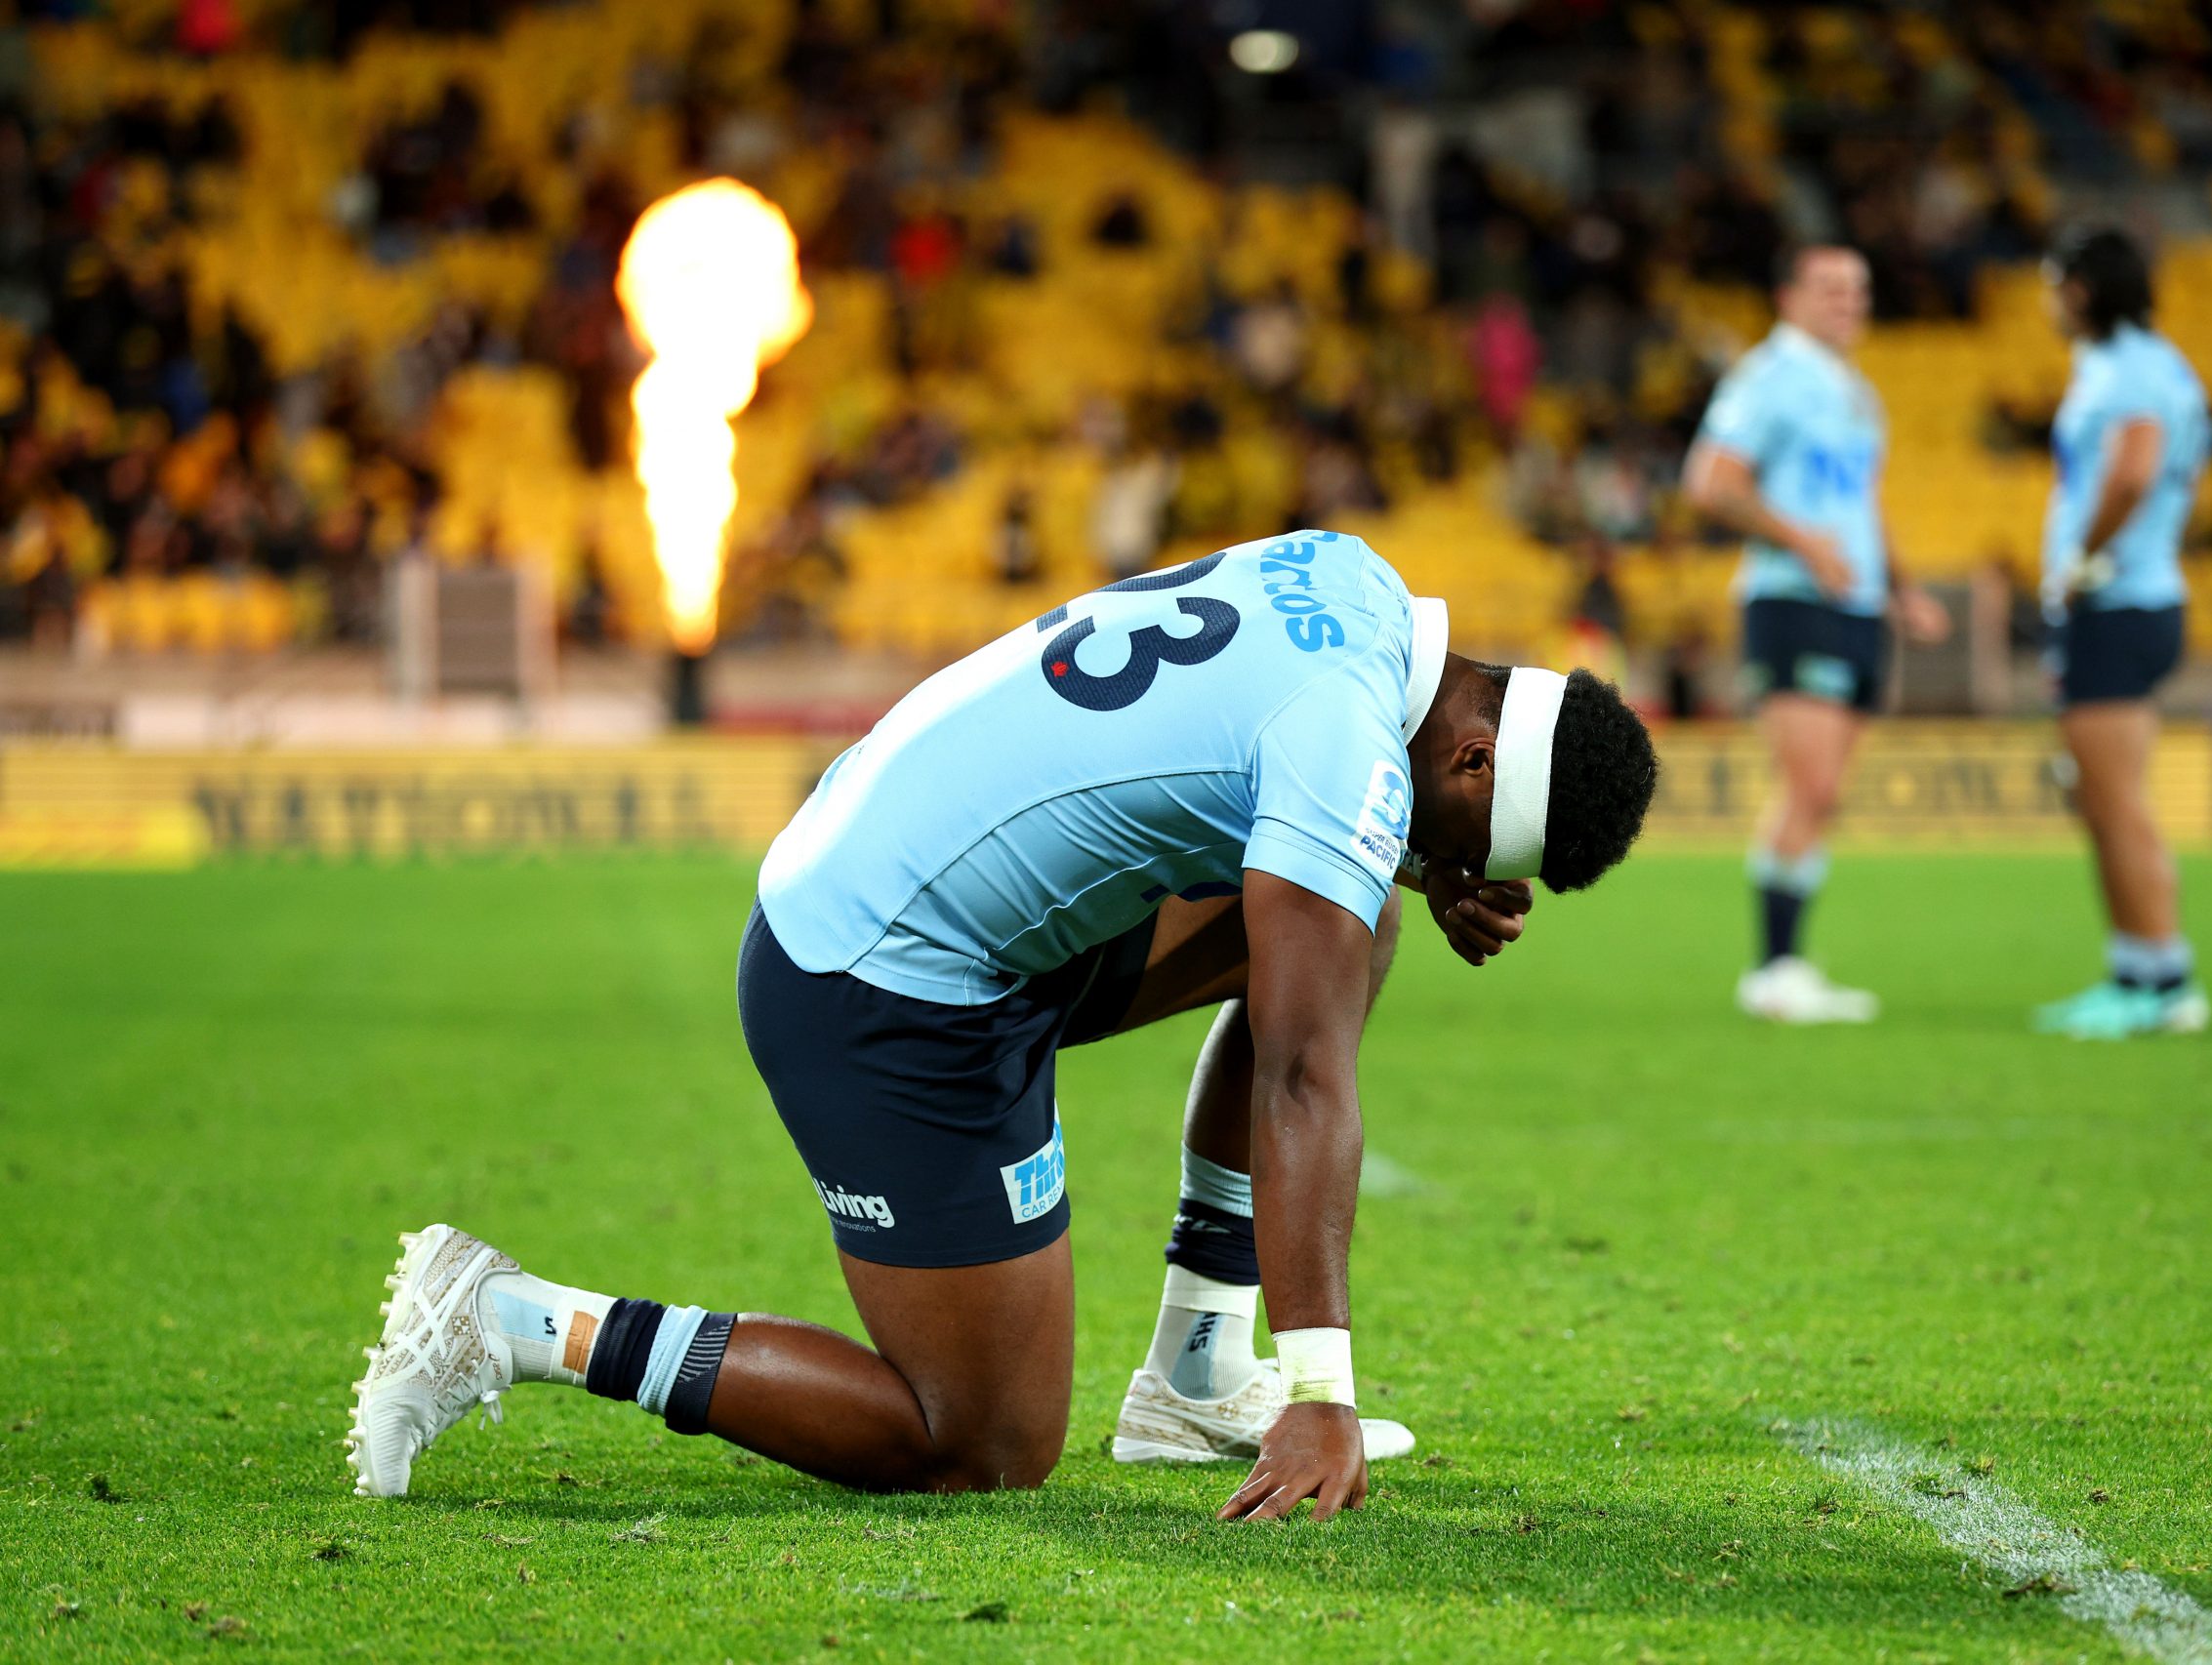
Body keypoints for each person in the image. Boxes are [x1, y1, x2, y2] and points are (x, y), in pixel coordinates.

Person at [348, 531, 1659, 1522]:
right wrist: (1326, 1391)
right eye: (1466, 837)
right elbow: (1305, 1074)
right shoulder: (1348, 746)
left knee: (1353, 905)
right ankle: (515, 1317)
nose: (1453, 862)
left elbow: (1284, 755)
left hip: (929, 871)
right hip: (875, 973)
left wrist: (1417, 864)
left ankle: (1193, 1375)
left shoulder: (1357, 584)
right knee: (977, 1443)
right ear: (1474, 757)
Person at [1682, 244, 1950, 1025]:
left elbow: (1863, 501)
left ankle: (1789, 963)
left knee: (1826, 795)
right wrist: (1804, 544)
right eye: (1830, 288)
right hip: (1794, 600)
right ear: (1788, 295)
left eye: (1859, 290)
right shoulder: (1768, 379)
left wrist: (1902, 588)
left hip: (1859, 606)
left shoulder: (1856, 391)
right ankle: (1773, 970)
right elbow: (1711, 482)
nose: (1848, 302)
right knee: (1812, 786)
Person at [2030, 227, 2212, 1039]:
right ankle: (2137, 970)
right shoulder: (2145, 362)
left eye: (2051, 285)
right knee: (2100, 799)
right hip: (2136, 599)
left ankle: (2162, 980)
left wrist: (2080, 558)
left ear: (2079, 290)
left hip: (2118, 602)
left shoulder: (2129, 369)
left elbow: (2136, 469)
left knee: (2116, 800)